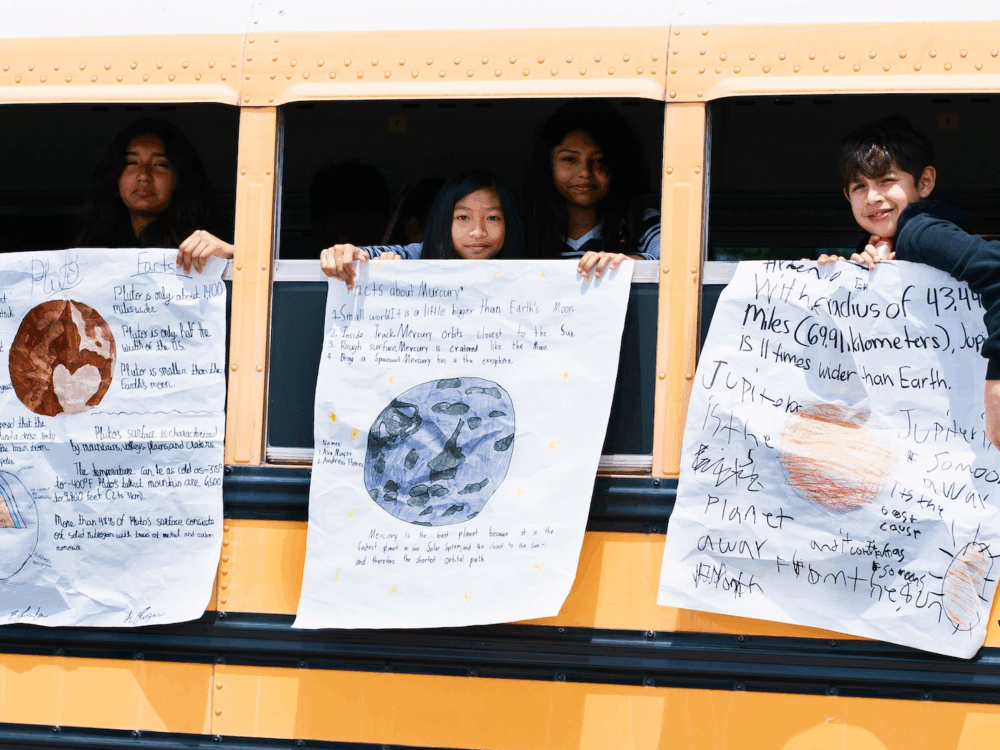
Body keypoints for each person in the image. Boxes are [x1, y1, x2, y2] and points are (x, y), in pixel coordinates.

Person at [822, 115, 1000, 449]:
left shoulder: (920, 232)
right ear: (848, 197)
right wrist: (828, 278)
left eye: (886, 180)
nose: (873, 197)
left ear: (924, 182)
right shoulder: (876, 248)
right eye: (859, 187)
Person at [76, 119, 233, 274]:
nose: (143, 175)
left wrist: (232, 253)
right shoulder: (94, 238)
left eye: (160, 164)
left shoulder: (211, 237)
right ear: (115, 175)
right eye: (132, 162)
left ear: (180, 178)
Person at [523, 100, 660, 279]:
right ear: (548, 164)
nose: (585, 173)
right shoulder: (524, 223)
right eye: (570, 160)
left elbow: (674, 265)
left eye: (599, 161)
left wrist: (625, 263)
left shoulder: (642, 221)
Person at [321, 169, 523, 287]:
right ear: (444, 221)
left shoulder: (530, 266)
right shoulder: (423, 254)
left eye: (492, 217)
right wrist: (348, 254)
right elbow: (373, 254)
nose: (478, 231)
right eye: (463, 217)